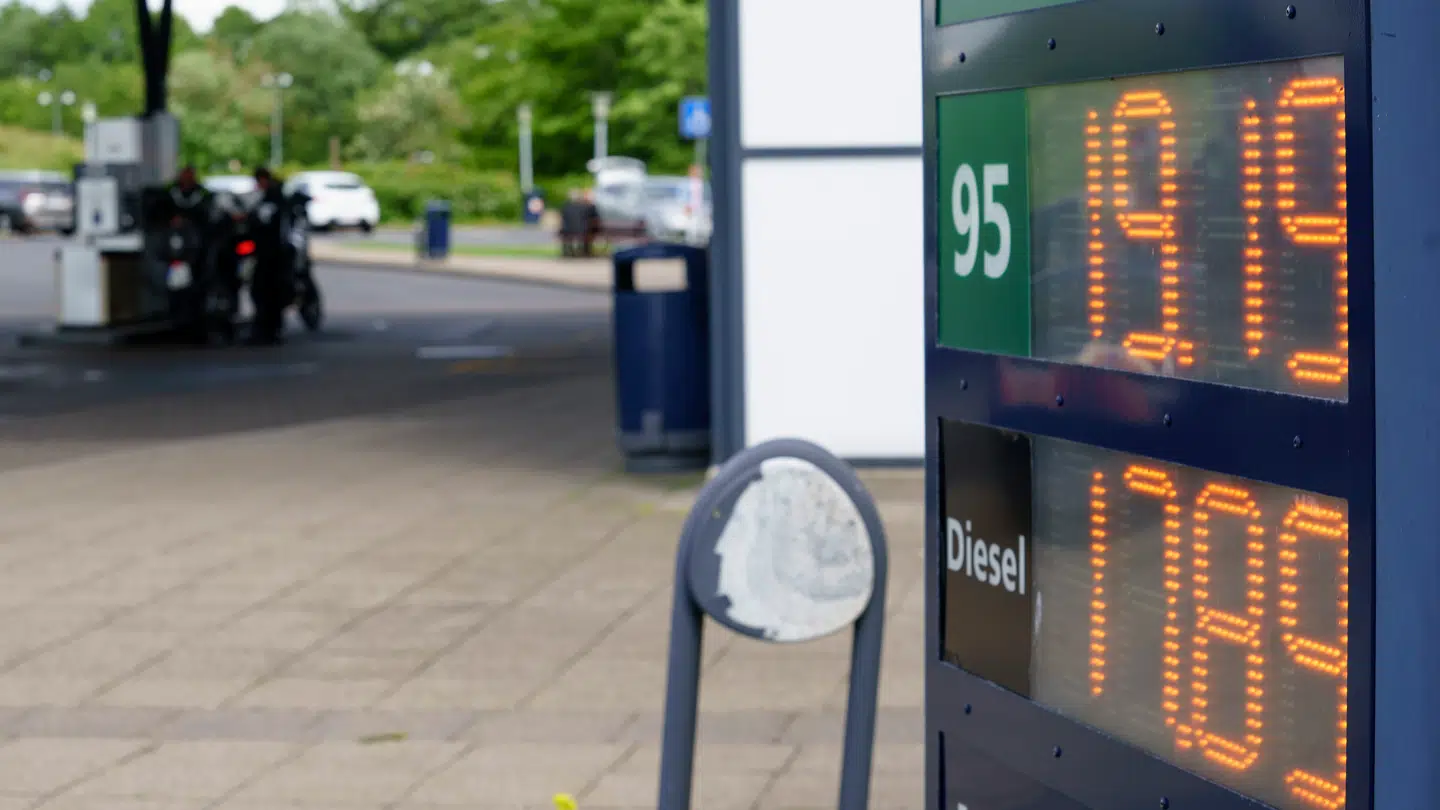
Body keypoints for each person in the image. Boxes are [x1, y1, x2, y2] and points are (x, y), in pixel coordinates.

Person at [246, 166, 292, 345]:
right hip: (273, 253)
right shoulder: (275, 197)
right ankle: (270, 328)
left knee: (264, 291)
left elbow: (264, 223)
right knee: (268, 292)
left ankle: (267, 329)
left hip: (271, 253)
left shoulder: (272, 199)